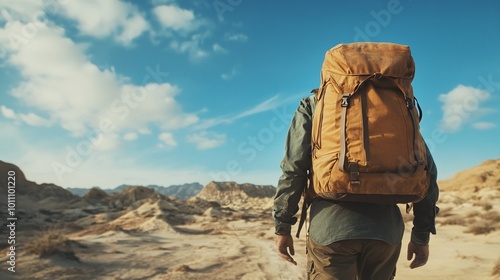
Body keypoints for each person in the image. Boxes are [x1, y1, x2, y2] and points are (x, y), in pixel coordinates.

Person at [273, 93, 439, 279]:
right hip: (386, 231)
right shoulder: (395, 102)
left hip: (330, 229)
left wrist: (282, 226)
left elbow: (293, 169)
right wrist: (421, 236)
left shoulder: (317, 102)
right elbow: (428, 171)